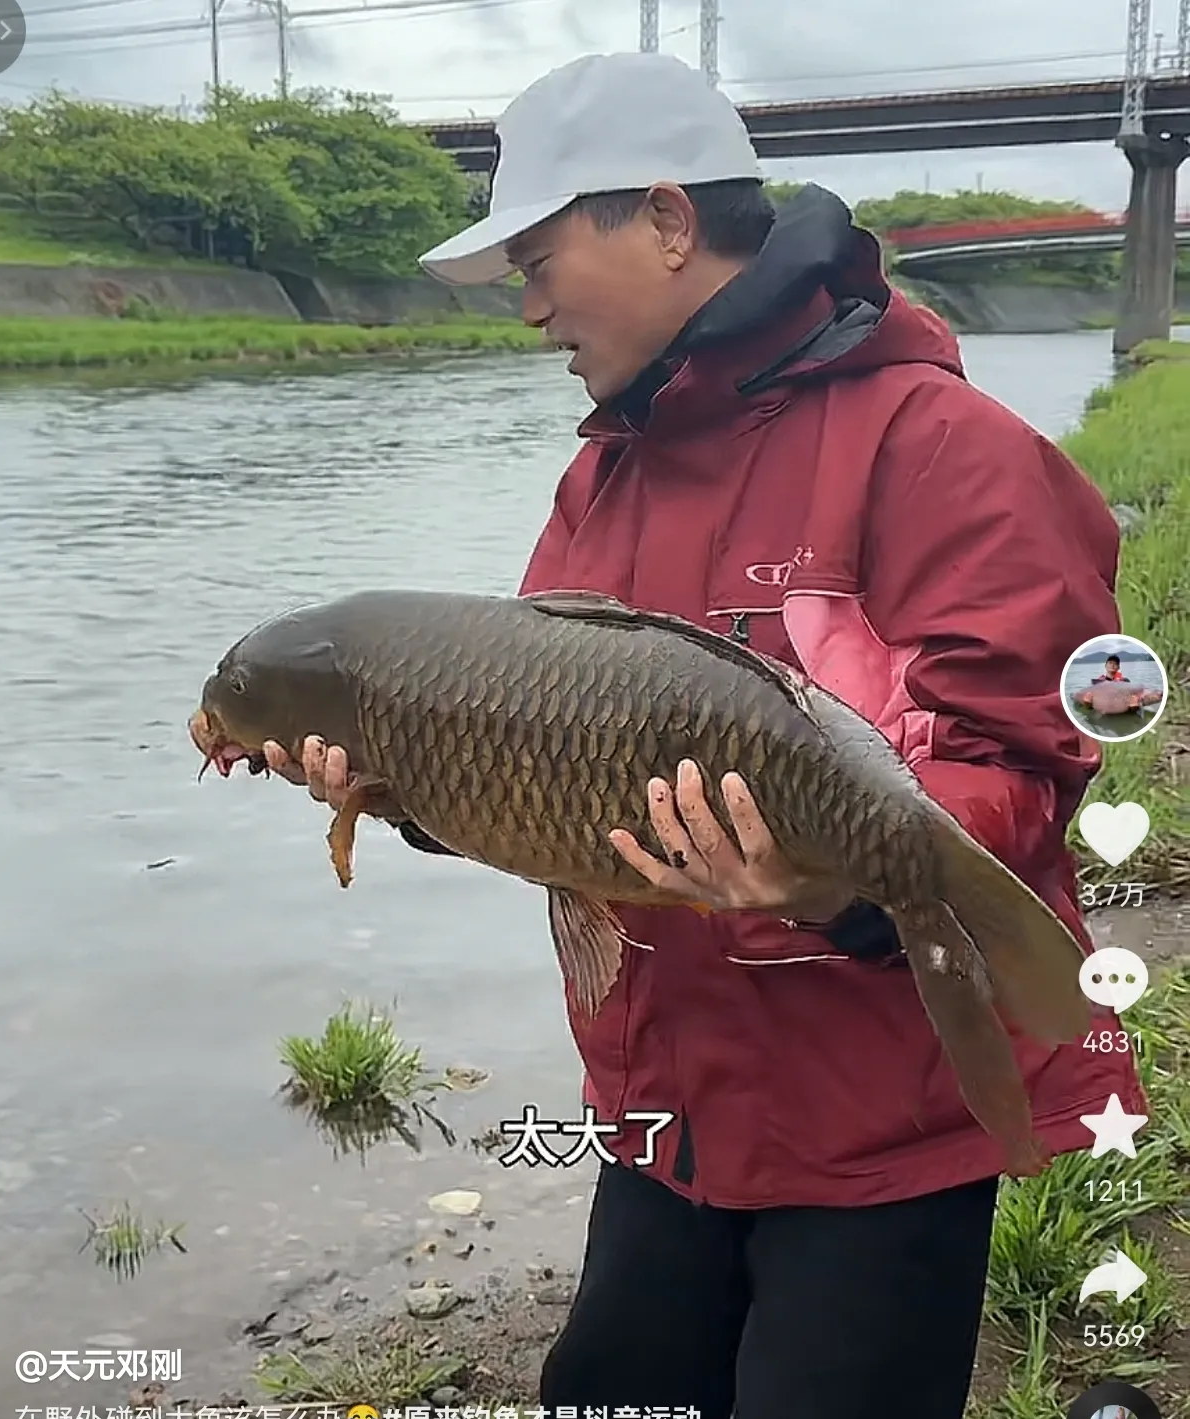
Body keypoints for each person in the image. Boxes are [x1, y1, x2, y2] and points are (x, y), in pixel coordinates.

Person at [261, 52, 1146, 1419]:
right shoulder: (604, 467)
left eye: (542, 255)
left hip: (876, 1130)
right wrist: (397, 787)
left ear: (667, 220)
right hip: (658, 1110)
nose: (528, 303)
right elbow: (538, 767)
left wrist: (844, 880)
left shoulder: (941, 446)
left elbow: (1026, 771)